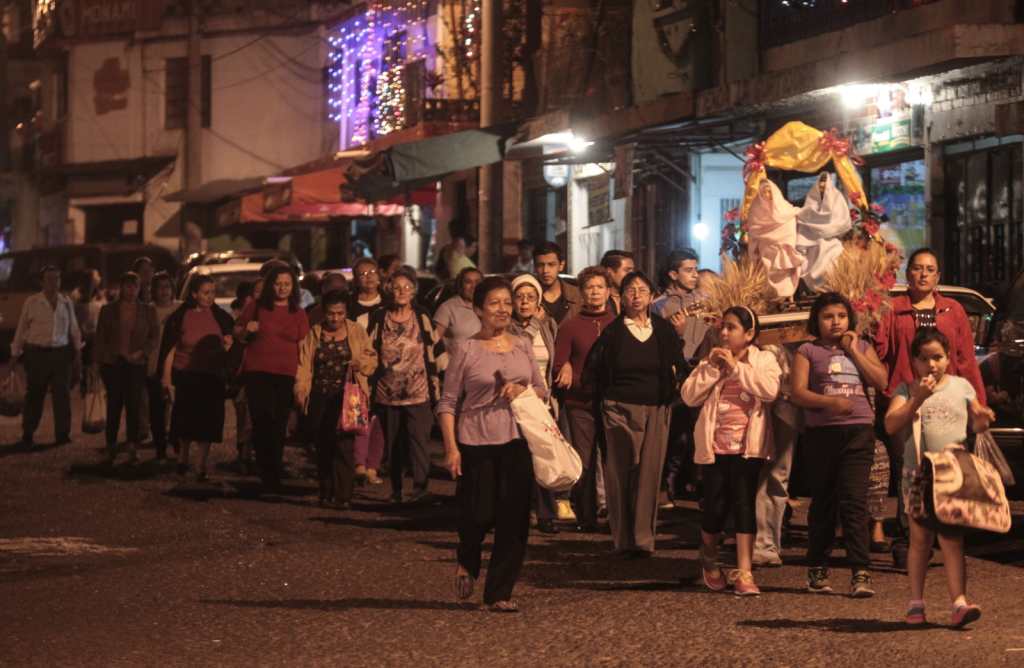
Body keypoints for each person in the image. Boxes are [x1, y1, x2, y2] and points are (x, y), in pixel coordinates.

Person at [438, 276, 546, 612]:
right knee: (478, 513)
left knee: (513, 520)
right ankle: (467, 558)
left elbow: (542, 390)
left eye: (506, 302)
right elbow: (447, 402)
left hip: (516, 440)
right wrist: (451, 448)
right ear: (479, 309)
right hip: (476, 441)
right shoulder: (466, 349)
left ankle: (499, 592)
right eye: (494, 303)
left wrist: (523, 390)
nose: (503, 309)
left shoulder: (522, 345)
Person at [874, 248, 986, 565]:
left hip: (947, 401)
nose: (923, 274)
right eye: (918, 268)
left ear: (938, 276)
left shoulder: (953, 310)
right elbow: (882, 351)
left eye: (930, 269)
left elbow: (965, 359)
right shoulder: (892, 309)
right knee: (909, 471)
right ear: (908, 274)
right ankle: (905, 543)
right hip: (908, 397)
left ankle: (939, 538)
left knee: (942, 471)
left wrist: (977, 402)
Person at [884, 328, 994, 628]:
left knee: (952, 539)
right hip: (920, 475)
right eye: (924, 358)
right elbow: (891, 425)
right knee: (919, 541)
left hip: (953, 475)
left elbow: (976, 420)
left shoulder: (961, 386)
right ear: (914, 361)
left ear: (948, 358)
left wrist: (983, 419)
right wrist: (917, 398)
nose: (931, 364)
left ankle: (959, 602)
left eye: (938, 357)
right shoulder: (906, 390)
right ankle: (916, 604)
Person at [790, 292, 888, 597]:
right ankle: (817, 569)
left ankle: (860, 571)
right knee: (824, 502)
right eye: (828, 316)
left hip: (858, 432)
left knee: (854, 501)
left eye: (841, 316)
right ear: (816, 321)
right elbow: (797, 393)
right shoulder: (807, 350)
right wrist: (830, 402)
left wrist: (854, 351)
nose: (835, 322)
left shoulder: (862, 346)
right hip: (822, 434)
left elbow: (881, 381)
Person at [584, 271, 688, 558]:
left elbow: (679, 364)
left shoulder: (664, 330)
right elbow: (593, 371)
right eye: (631, 290)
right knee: (621, 471)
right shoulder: (613, 332)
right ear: (621, 297)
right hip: (619, 407)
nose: (637, 296)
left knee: (649, 473)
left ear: (652, 296)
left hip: (656, 406)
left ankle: (643, 539)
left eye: (642, 290)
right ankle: (622, 538)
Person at [682, 306, 781, 596]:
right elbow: (688, 396)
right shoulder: (710, 360)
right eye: (722, 327)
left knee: (743, 504)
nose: (724, 333)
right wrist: (713, 368)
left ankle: (745, 571)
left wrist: (737, 367)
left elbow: (769, 390)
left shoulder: (764, 359)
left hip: (748, 448)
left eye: (732, 328)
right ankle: (709, 558)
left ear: (749, 334)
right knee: (713, 507)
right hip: (715, 447)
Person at [360, 266, 442, 504]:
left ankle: (420, 487)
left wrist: (438, 383)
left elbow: (434, 350)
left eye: (407, 287)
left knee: (419, 442)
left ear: (414, 291)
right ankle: (395, 489)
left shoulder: (422, 316)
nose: (401, 292)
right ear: (388, 290)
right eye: (396, 287)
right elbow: (367, 348)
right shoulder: (378, 317)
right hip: (387, 392)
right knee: (393, 443)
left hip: (419, 391)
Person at [294, 290, 378, 509]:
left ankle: (344, 494)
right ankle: (326, 490)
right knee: (323, 444)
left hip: (347, 396)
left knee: (345, 445)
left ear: (346, 313)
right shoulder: (315, 333)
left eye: (340, 313)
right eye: (331, 314)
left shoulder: (357, 331)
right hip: (321, 395)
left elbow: (370, 356)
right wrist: (301, 390)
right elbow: (305, 365)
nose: (335, 318)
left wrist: (361, 364)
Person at [235, 265, 311, 489]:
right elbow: (237, 330)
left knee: (278, 423)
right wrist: (246, 329)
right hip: (258, 371)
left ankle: (274, 469)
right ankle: (265, 467)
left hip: (285, 373)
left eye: (287, 284)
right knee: (261, 420)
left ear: (293, 287)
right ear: (271, 285)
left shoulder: (298, 312)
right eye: (278, 283)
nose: (282, 288)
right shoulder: (256, 307)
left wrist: (302, 375)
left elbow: (304, 345)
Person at [553, 266, 616, 532]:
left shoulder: (618, 324)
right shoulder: (570, 326)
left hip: (613, 403)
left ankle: (615, 516)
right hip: (580, 403)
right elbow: (558, 365)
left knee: (613, 461)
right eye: (589, 287)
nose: (595, 292)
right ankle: (586, 516)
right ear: (581, 293)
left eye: (600, 287)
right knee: (585, 460)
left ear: (609, 291)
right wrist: (568, 368)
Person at [652, 248, 713, 505]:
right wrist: (676, 334)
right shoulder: (659, 306)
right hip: (676, 375)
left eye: (696, 269)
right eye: (688, 270)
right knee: (675, 434)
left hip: (704, 371)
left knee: (703, 432)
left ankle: (700, 484)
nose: (694, 275)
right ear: (673, 274)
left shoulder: (706, 300)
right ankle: (665, 486)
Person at [159, 275, 235, 480]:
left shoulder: (220, 316)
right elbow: (170, 349)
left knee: (208, 422)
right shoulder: (180, 316)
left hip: (212, 377)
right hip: (186, 375)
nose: (210, 297)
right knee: (185, 420)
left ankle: (200, 465)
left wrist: (229, 346)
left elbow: (230, 344)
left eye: (213, 292)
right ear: (194, 294)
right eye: (205, 292)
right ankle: (183, 458)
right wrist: (166, 379)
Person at [507, 273, 561, 534]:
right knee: (520, 460)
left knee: (545, 456)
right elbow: (519, 352)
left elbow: (554, 356)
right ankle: (521, 511)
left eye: (531, 297)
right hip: (517, 403)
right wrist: (533, 326)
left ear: (539, 300)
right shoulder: (507, 327)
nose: (525, 302)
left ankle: (546, 514)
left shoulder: (549, 324)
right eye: (520, 297)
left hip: (543, 401)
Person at [12, 266, 83, 447]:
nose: (54, 283)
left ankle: (62, 435)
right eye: (50, 279)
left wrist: (77, 352)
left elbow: (73, 329)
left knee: (62, 396)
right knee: (35, 394)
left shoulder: (66, 302)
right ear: (42, 282)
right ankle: (28, 433)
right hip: (37, 354)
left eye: (57, 279)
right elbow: (21, 329)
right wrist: (15, 353)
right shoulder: (32, 302)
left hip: (61, 354)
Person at [93, 272, 159, 464]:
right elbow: (100, 338)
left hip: (136, 364)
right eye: (127, 286)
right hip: (114, 363)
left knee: (133, 405)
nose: (131, 290)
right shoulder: (108, 310)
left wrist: (142, 353)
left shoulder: (147, 311)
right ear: (121, 287)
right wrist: (97, 363)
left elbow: (154, 336)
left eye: (134, 287)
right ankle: (111, 445)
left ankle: (132, 445)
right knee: (114, 405)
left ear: (139, 289)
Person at [147, 271, 181, 460]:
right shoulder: (148, 310)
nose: (164, 291)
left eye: (167, 287)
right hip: (153, 364)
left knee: (177, 407)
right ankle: (160, 446)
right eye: (160, 287)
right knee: (157, 408)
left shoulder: (181, 309)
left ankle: (176, 443)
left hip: (177, 365)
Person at [433, 267, 482, 352]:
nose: (474, 286)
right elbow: (434, 342)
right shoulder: (448, 307)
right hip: (457, 363)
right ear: (461, 285)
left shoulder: (488, 307)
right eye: (468, 282)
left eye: (477, 282)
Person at [533, 242, 581, 325]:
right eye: (540, 265)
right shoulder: (527, 297)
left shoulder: (578, 296)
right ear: (534, 267)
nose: (545, 271)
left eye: (551, 265)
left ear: (561, 265)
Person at [599, 250, 635, 315]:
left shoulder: (634, 298)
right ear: (609, 272)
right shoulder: (596, 298)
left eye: (632, 271)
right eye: (627, 270)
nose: (632, 275)